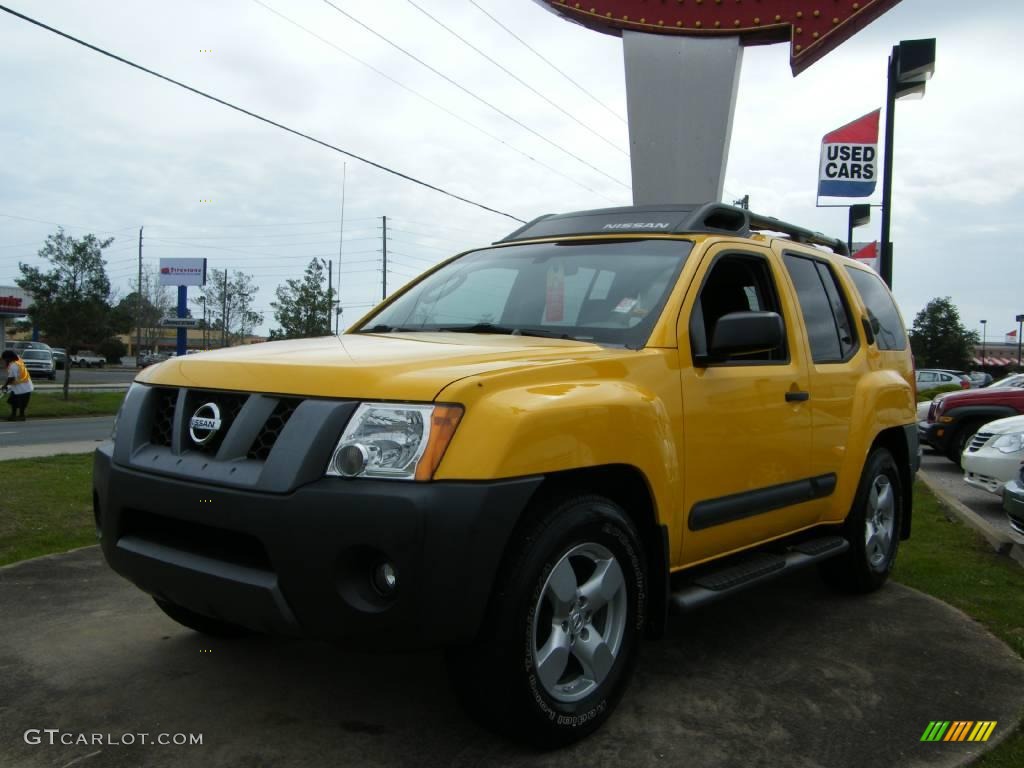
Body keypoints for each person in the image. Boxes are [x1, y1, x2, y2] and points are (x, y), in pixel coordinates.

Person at [1, 349, 34, 421]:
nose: (4, 361)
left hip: (22, 388)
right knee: (16, 402)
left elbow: (11, 378)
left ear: (8, 358)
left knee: (18, 403)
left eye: (5, 359)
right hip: (24, 386)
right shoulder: (19, 360)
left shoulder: (13, 365)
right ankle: (17, 416)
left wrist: (5, 385)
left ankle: (18, 416)